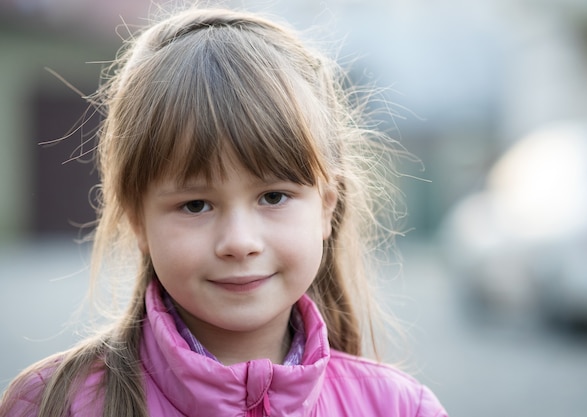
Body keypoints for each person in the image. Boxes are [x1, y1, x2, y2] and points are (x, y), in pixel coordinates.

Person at [0, 6, 448, 417]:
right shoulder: (54, 403)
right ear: (138, 220)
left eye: (273, 197)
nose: (239, 241)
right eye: (195, 204)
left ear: (326, 206)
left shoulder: (399, 407)